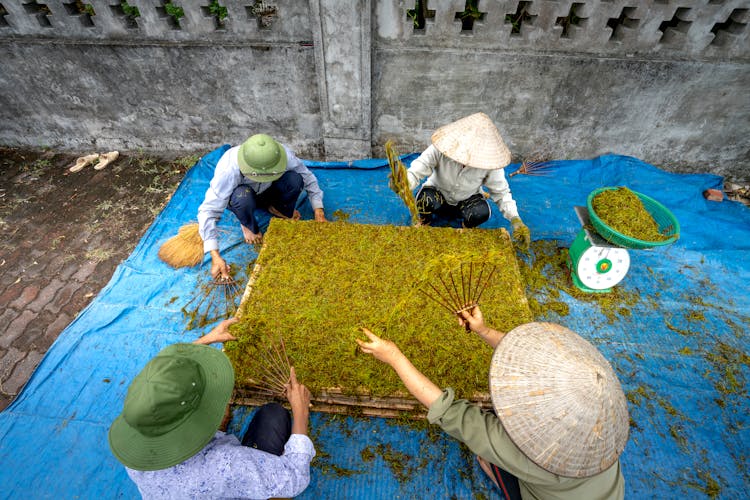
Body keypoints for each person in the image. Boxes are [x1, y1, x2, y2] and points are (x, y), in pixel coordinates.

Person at [356, 306, 629, 500]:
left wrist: (395, 357)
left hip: (549, 490)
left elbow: (450, 412)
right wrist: (483, 330)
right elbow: (531, 356)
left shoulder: (529, 452)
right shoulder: (596, 394)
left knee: (485, 453)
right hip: (609, 493)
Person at [109, 318, 315, 499]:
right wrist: (301, 411)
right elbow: (296, 478)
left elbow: (164, 382)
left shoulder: (139, 429)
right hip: (216, 480)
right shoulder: (226, 465)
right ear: (199, 420)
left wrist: (204, 342)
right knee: (274, 414)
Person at [198, 134, 327, 278]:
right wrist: (215, 255)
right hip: (243, 197)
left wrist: (318, 210)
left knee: (295, 179)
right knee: (242, 196)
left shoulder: (281, 155)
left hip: (268, 190)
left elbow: (307, 176)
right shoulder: (229, 169)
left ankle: (277, 207)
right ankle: (247, 223)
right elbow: (208, 211)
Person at [406, 112, 530, 247]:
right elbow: (418, 168)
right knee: (425, 200)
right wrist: (404, 182)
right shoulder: (441, 149)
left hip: (466, 199)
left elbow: (501, 193)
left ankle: (465, 229)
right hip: (438, 193)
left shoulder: (488, 162)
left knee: (481, 213)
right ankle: (425, 221)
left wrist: (515, 219)